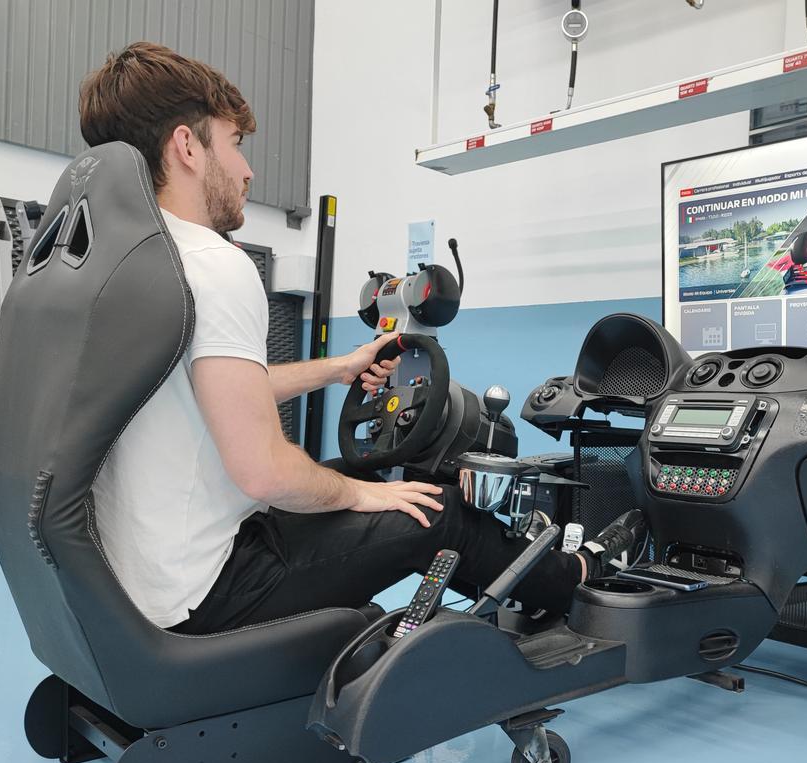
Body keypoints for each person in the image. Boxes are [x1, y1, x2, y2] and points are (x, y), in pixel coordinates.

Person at [79, 42, 643, 635]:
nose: (247, 170)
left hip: (146, 578)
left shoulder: (129, 267)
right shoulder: (214, 266)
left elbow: (216, 387)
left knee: (366, 479)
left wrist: (340, 368)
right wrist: (357, 494)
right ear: (188, 147)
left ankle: (516, 582)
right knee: (438, 510)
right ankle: (573, 577)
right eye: (234, 145)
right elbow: (265, 474)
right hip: (210, 589)